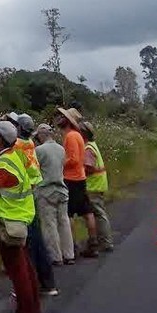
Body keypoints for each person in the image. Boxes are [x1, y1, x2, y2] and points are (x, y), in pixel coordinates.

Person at [0, 118, 42, 313]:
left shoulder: (3, 164)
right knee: (25, 266)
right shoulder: (14, 157)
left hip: (6, 220)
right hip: (18, 217)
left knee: (17, 271)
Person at [10, 114, 58, 295]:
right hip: (33, 193)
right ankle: (48, 283)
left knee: (27, 244)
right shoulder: (30, 144)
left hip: (21, 198)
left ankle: (28, 285)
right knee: (38, 241)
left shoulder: (17, 146)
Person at [56, 107, 99, 257]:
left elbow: (73, 159)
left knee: (68, 214)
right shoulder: (77, 135)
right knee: (86, 211)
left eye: (61, 117)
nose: (58, 118)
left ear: (67, 121)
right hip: (79, 178)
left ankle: (72, 246)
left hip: (71, 178)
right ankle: (93, 244)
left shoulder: (71, 136)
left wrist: (59, 163)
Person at [32, 123, 75, 265]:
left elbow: (35, 169)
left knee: (49, 224)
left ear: (41, 135)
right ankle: (69, 254)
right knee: (64, 222)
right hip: (62, 189)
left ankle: (55, 256)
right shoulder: (61, 149)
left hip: (46, 190)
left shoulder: (39, 150)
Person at [81, 120, 114, 252]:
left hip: (93, 185)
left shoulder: (88, 148)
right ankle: (104, 241)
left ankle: (105, 242)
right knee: (99, 214)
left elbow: (89, 166)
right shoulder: (92, 145)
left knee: (98, 214)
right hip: (98, 184)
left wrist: (80, 171)